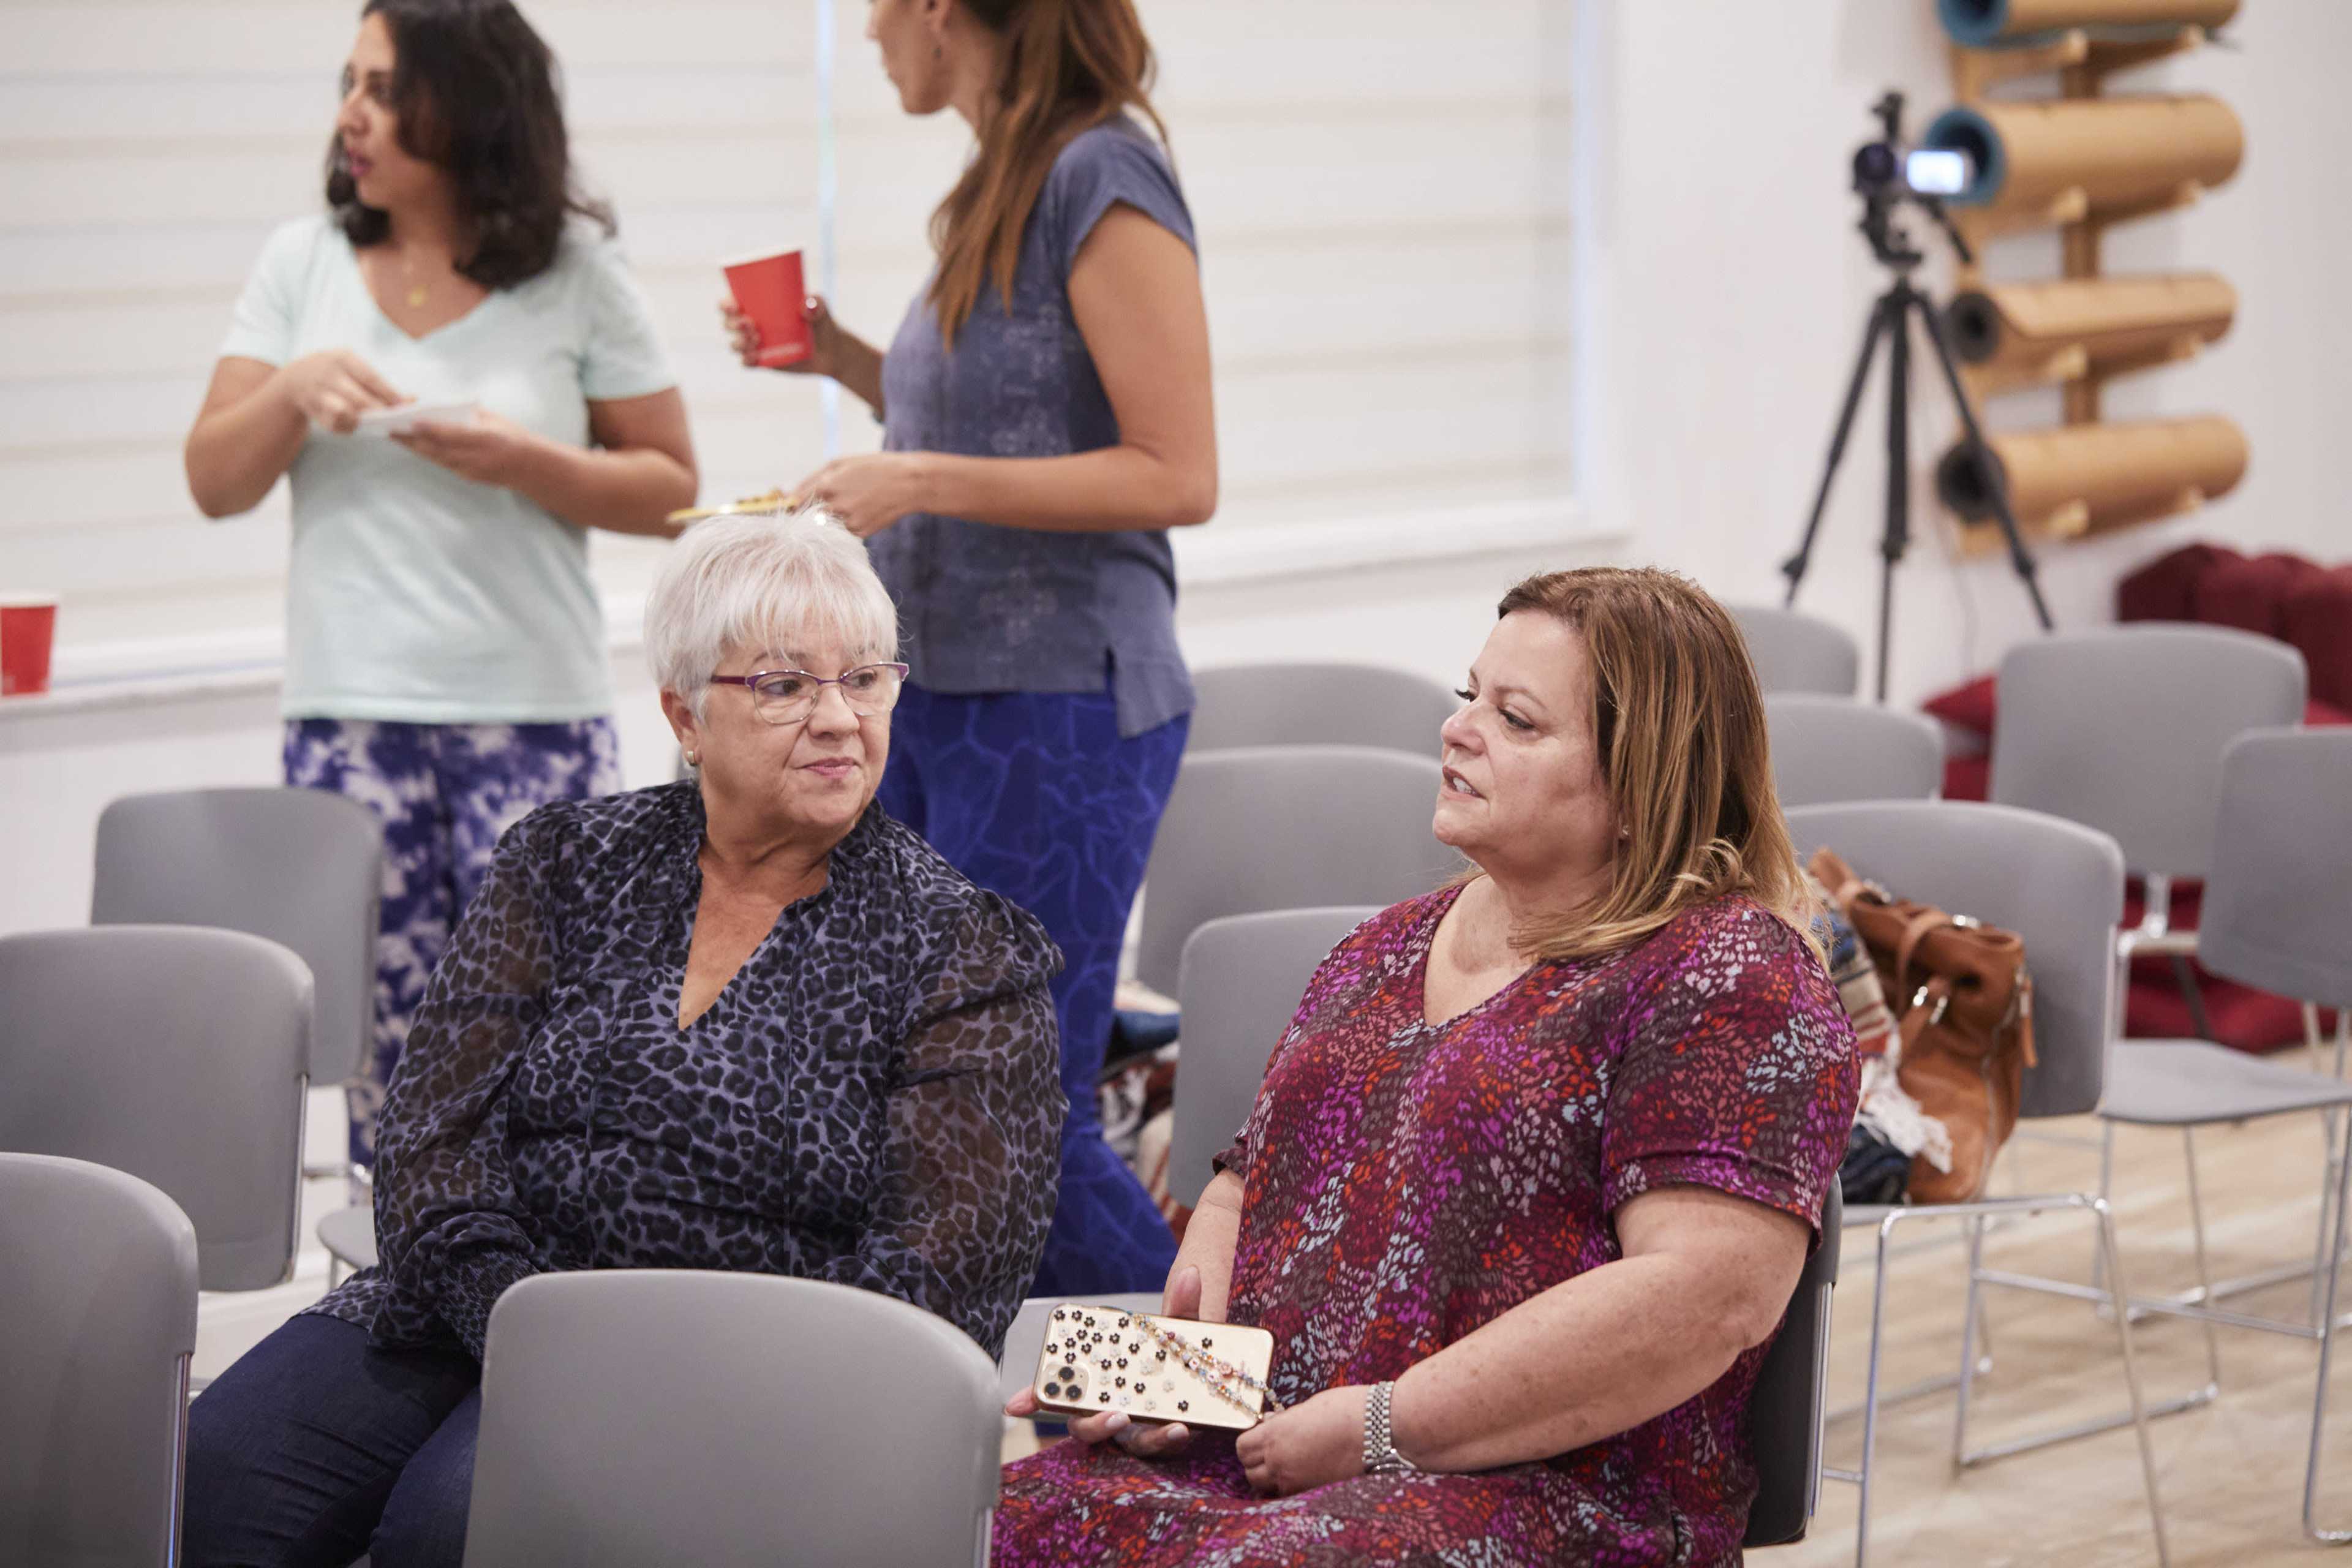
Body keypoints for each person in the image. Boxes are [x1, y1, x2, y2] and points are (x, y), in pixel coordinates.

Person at [180, 508, 1065, 1568]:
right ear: (684, 716)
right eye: (784, 686)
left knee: (448, 1534)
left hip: (733, 1369)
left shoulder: (962, 946)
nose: (839, 719)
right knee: (213, 1481)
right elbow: (429, 1141)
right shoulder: (567, 861)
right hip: (470, 1312)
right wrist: (518, 1322)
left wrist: (632, 1366)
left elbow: (944, 1285)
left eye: (865, 680)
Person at [994, 567, 1862, 1567]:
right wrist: (1180, 1390)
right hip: (1274, 1456)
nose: (1459, 732)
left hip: (1552, 1496)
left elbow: (1703, 1300)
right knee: (971, 1528)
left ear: (1643, 781)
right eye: (1469, 699)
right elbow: (1246, 1189)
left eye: (1519, 721)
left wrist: (1378, 1427)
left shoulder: (1729, 973)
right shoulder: (1386, 946)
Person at [721, 0, 1215, 1297]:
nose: (870, 31)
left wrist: (918, 476)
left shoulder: (1102, 169)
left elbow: (1177, 469)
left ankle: (1227, 1402)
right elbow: (1018, 416)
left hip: (1060, 706)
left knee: (1006, 1109)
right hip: (942, 696)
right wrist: (839, 359)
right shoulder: (1002, 176)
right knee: (936, 1097)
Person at [182, 0, 699, 1172]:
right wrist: (294, 388)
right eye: (346, 84)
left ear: (466, 106)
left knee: (555, 1043)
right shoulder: (300, 262)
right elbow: (214, 481)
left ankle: (537, 1313)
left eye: (381, 88)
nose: (350, 115)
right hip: (352, 724)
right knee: (391, 1061)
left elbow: (670, 488)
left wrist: (524, 461)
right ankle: (407, 1313)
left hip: (537, 725)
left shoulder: (578, 272)